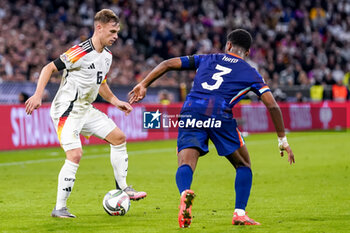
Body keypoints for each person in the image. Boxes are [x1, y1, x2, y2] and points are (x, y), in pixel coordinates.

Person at [129, 29, 295, 227]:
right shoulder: (251, 73)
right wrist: (282, 139)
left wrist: (144, 83)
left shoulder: (208, 58)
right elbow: (272, 105)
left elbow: (168, 64)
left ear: (228, 46)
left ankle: (184, 193)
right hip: (219, 114)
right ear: (248, 53)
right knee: (243, 165)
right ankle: (239, 213)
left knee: (185, 162)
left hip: (191, 110)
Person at [25, 9, 146, 218]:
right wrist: (37, 96)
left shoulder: (107, 56)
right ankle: (60, 208)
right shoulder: (80, 51)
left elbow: (100, 83)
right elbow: (48, 68)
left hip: (85, 108)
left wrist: (117, 102)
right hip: (67, 109)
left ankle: (124, 187)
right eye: (112, 31)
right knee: (75, 154)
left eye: (117, 32)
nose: (116, 36)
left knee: (119, 138)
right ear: (99, 28)